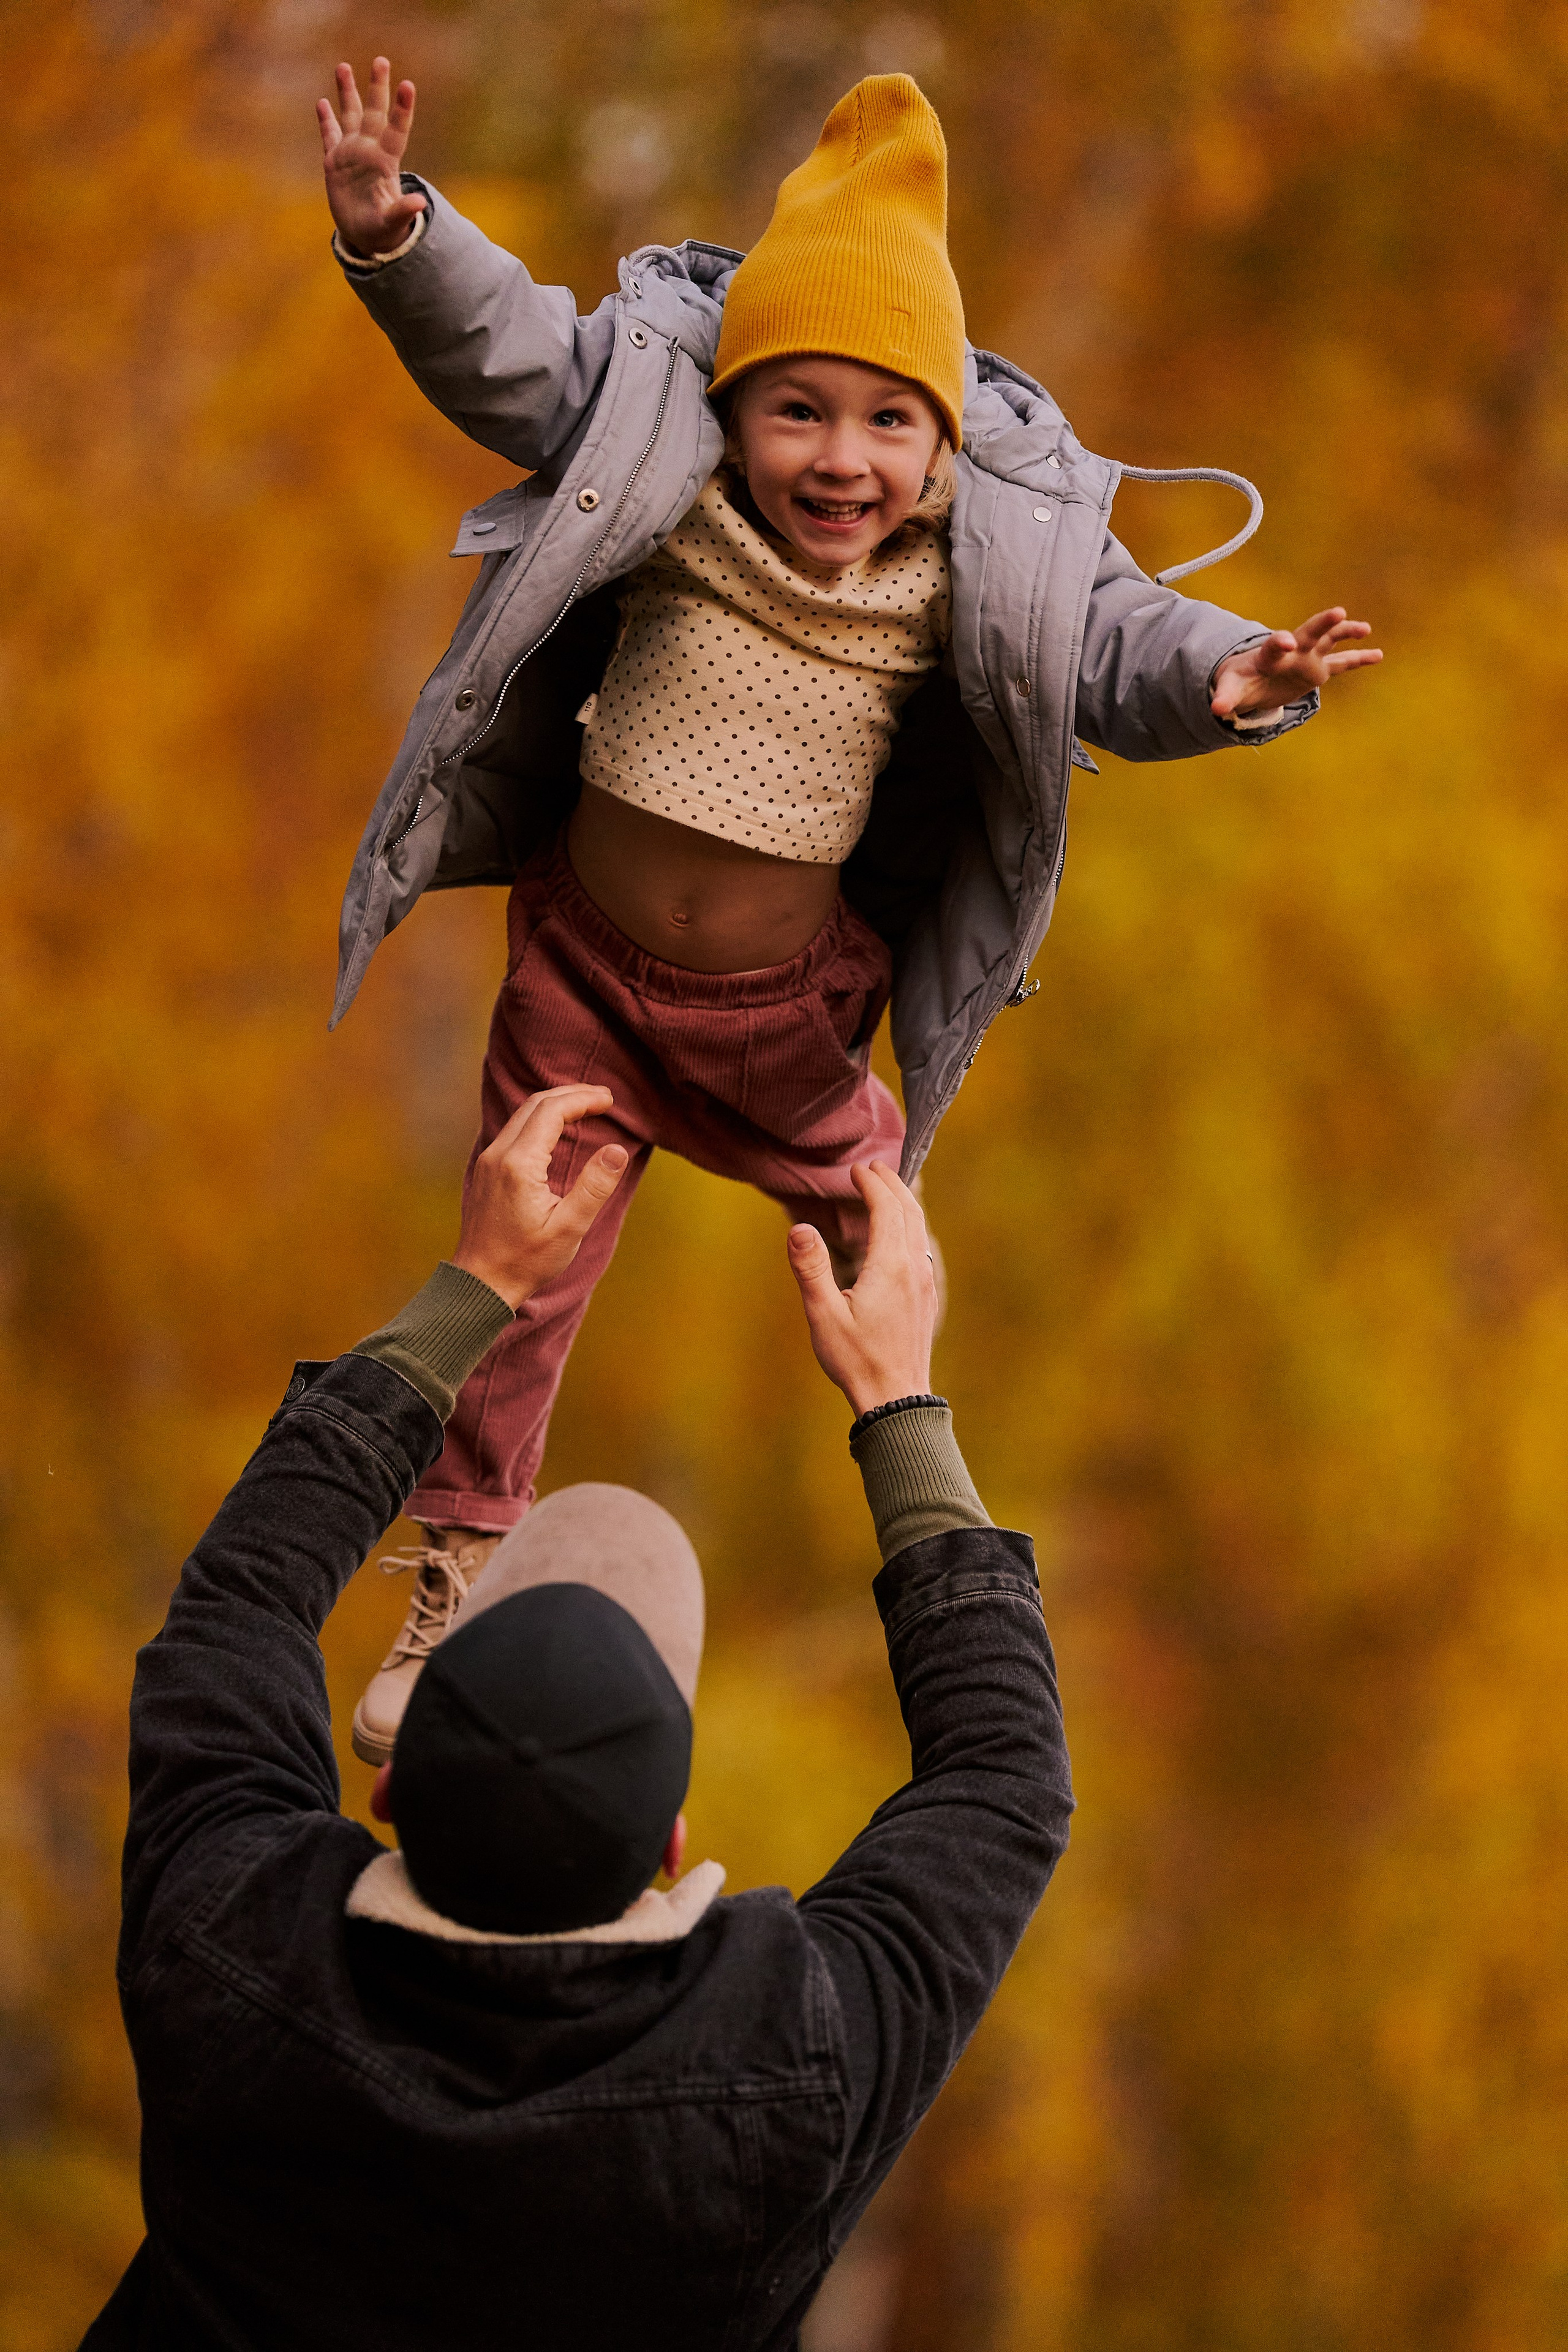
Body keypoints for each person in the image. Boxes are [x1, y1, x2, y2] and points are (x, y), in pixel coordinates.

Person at [315, 59, 1382, 1747]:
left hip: (782, 1024)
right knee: (515, 1272)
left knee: (881, 1249)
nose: (840, 459)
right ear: (735, 410)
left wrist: (1238, 674)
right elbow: (516, 353)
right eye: (797, 409)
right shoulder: (662, 467)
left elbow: (1117, 646)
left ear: (943, 437)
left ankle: (931, 1541)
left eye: (889, 420)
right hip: (580, 982)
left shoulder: (982, 554)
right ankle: (453, 1572)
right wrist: (399, 238)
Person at [81, 1082, 1072, 2351]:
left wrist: (476, 1289)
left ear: (388, 1787)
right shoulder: (785, 2074)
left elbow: (236, 1614)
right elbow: (1003, 1785)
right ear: (668, 1846)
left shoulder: (231, 1938)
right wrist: (893, 1393)